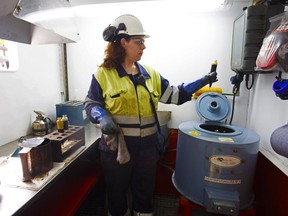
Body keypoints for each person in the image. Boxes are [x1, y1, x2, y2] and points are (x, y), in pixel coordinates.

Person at [84, 14, 218, 216]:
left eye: (143, 42)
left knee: (145, 195)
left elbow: (175, 95)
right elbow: (91, 103)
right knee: (116, 194)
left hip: (147, 149)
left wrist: (202, 81)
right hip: (116, 149)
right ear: (123, 42)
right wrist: (101, 115)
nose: (143, 47)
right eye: (139, 42)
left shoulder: (151, 75)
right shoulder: (103, 74)